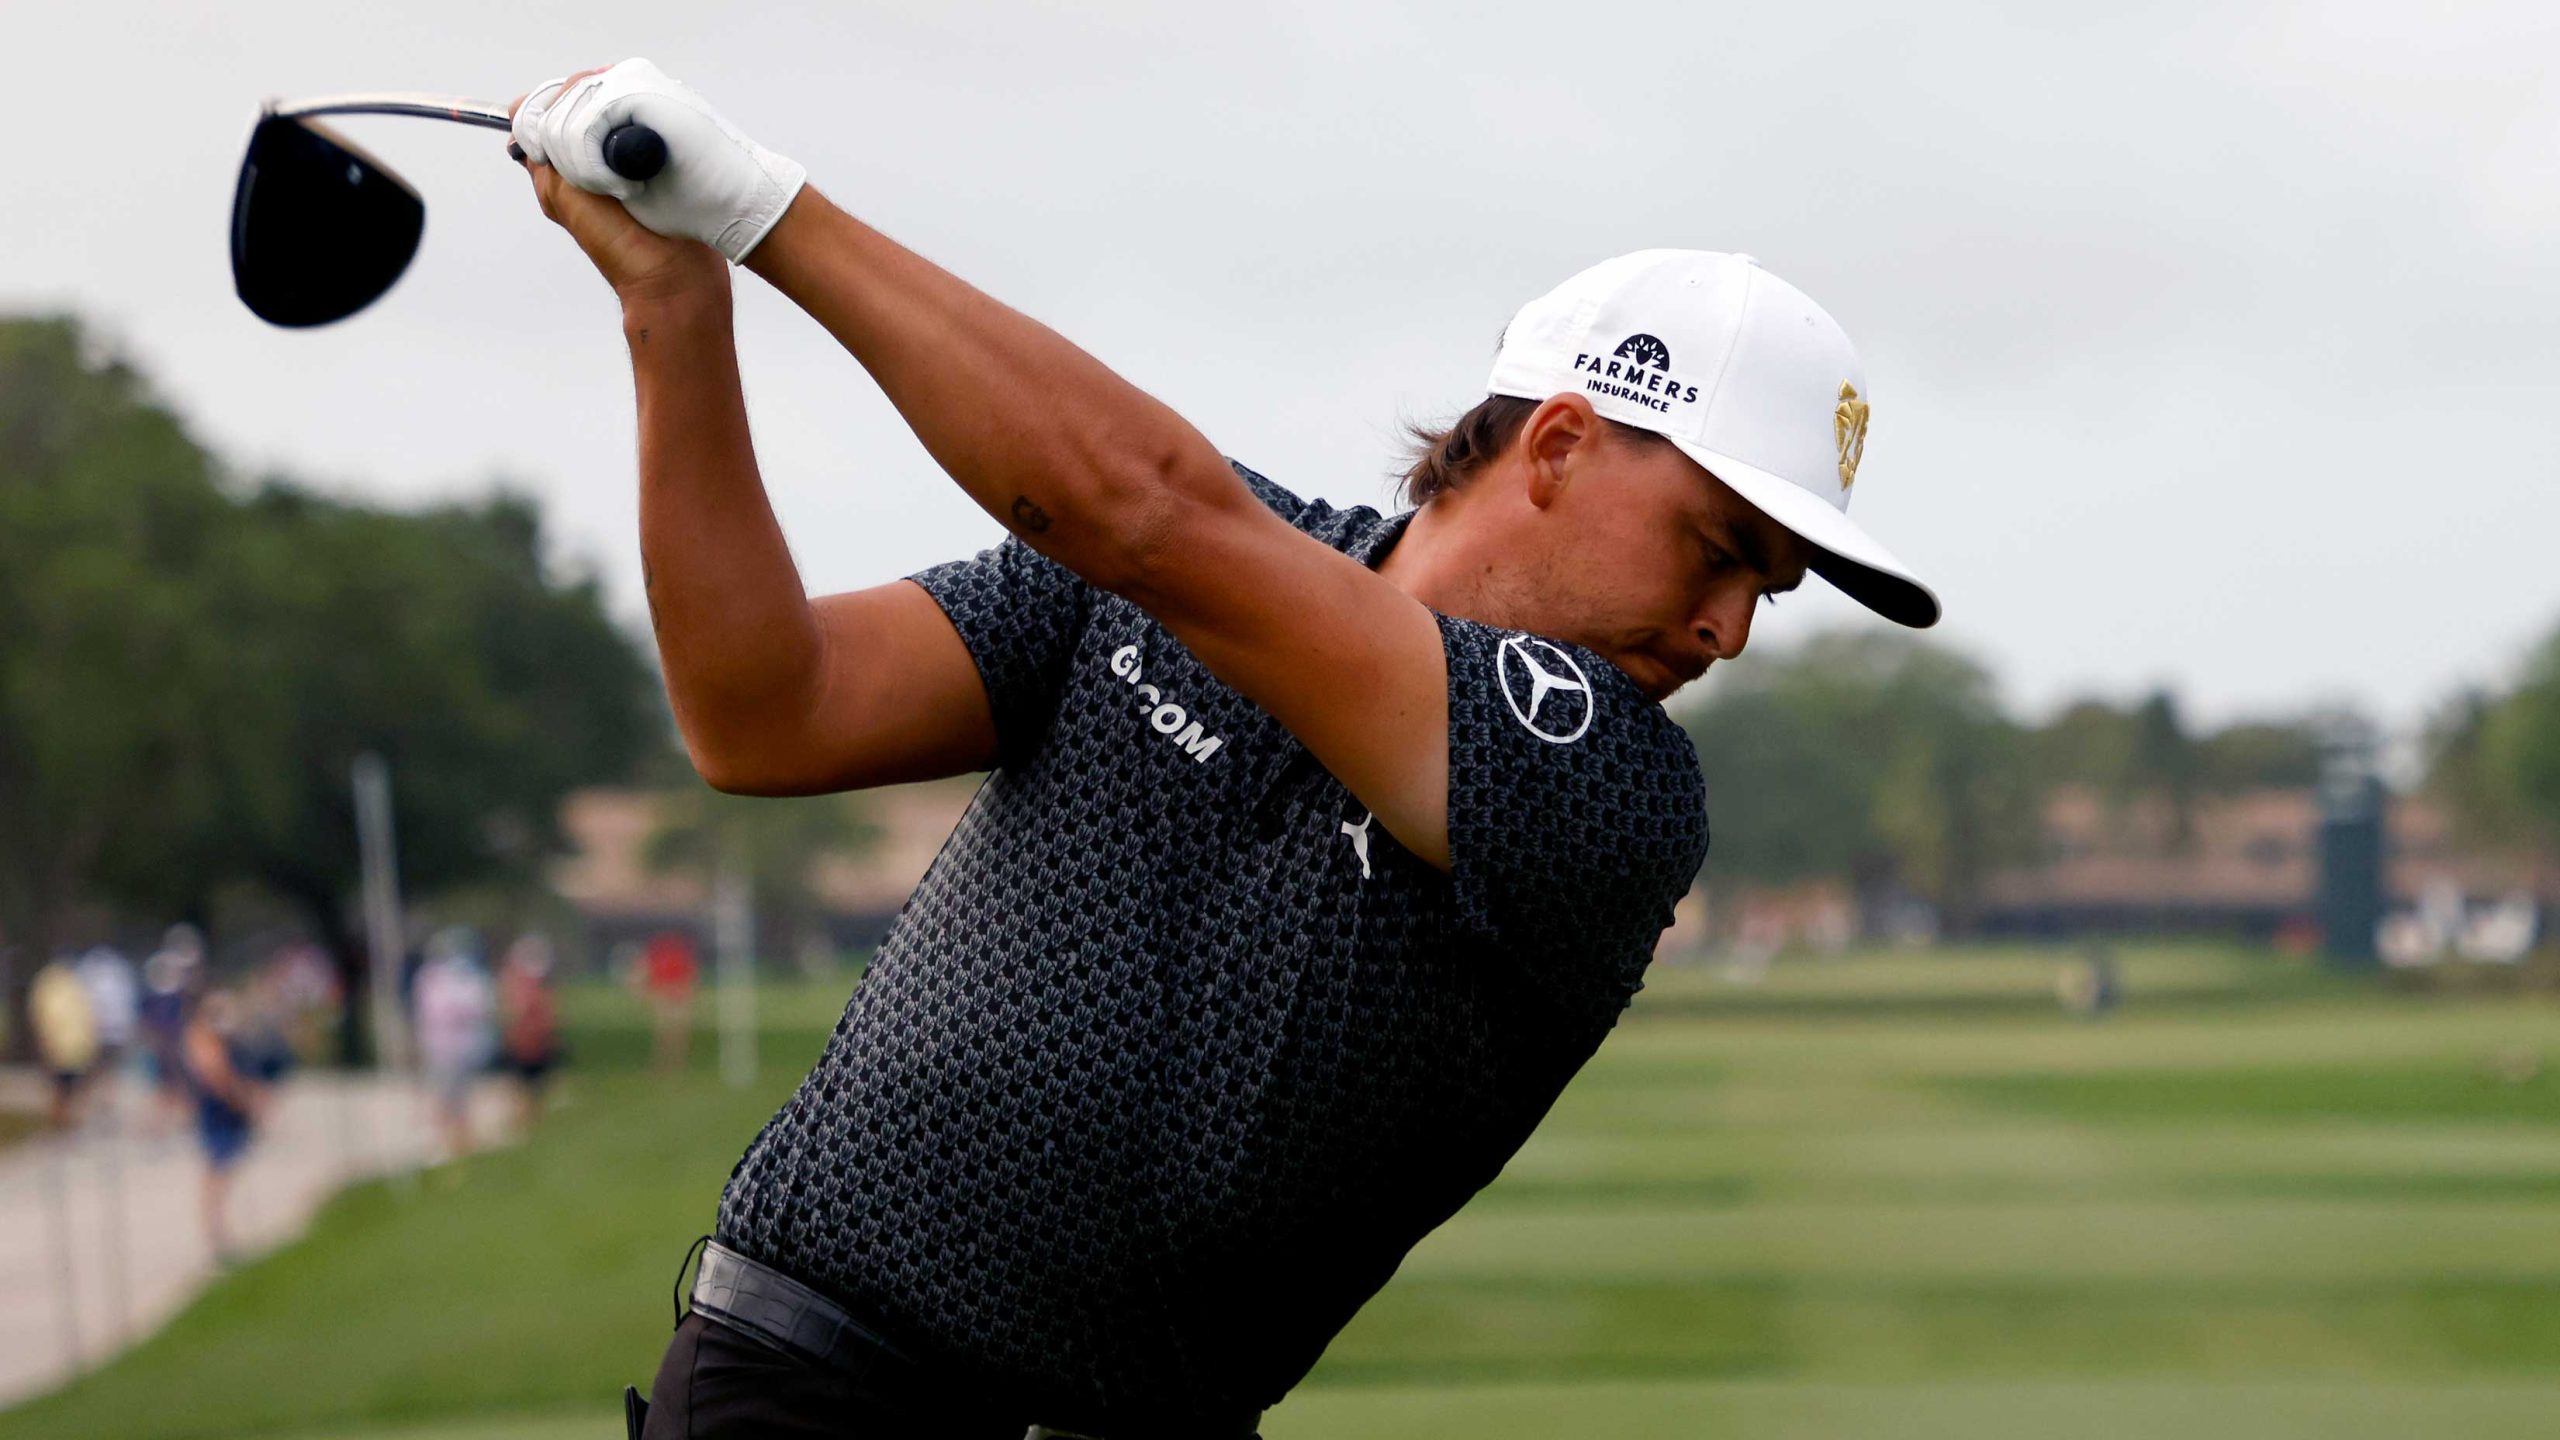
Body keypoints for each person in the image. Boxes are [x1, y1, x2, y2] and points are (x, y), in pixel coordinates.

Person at [513, 59, 1940, 1440]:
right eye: (1717, 551)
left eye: (1769, 591)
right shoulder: (1155, 569)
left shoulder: (1611, 787)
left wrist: (760, 204)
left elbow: (1142, 512)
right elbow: (767, 712)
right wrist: (675, 306)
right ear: (1558, 445)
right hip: (797, 1387)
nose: (1729, 632)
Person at [182, 988, 271, 1263]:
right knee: (218, 1173)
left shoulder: (216, 1040)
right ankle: (217, 1232)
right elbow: (218, 1078)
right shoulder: (202, 1041)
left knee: (223, 1172)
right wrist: (242, 1101)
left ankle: (219, 1230)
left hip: (223, 1111)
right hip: (219, 1113)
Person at [412, 928, 496, 1162]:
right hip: (440, 1047)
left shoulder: (470, 977)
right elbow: (431, 1012)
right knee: (444, 1096)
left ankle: (461, 1143)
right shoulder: (429, 978)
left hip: (465, 1046)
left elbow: (479, 1008)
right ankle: (444, 1142)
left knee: (462, 1097)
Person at [139, 926, 204, 1137]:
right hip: (168, 1035)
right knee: (171, 1080)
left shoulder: (171, 973)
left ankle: (168, 1123)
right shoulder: (168, 973)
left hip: (172, 1034)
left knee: (175, 1080)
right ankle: (162, 1124)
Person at [497, 933, 564, 1133]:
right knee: (522, 1091)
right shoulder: (516, 985)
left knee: (535, 1091)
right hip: (521, 1045)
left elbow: (551, 1019)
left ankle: (531, 1126)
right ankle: (524, 1126)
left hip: (537, 1045)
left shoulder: (541, 989)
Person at [30, 952, 99, 1131]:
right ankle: (59, 1119)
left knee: (68, 1084)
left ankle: (65, 1118)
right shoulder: (53, 986)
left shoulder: (70, 985)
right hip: (63, 1043)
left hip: (71, 1044)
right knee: (60, 1084)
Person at [637, 931, 698, 1075]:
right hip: (667, 996)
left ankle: (672, 1065)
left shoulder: (675, 957)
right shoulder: (661, 958)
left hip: (676, 997)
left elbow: (690, 979)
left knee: (673, 1034)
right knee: (667, 1034)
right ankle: (665, 1064)